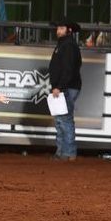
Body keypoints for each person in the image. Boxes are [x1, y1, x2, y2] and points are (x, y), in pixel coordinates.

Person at [48, 17, 83, 161]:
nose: (58, 31)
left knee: (64, 120)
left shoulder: (67, 45)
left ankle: (67, 153)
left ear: (69, 30)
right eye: (58, 28)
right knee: (62, 120)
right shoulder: (65, 44)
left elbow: (68, 69)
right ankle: (64, 152)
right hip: (65, 87)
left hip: (66, 87)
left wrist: (59, 87)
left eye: (61, 28)